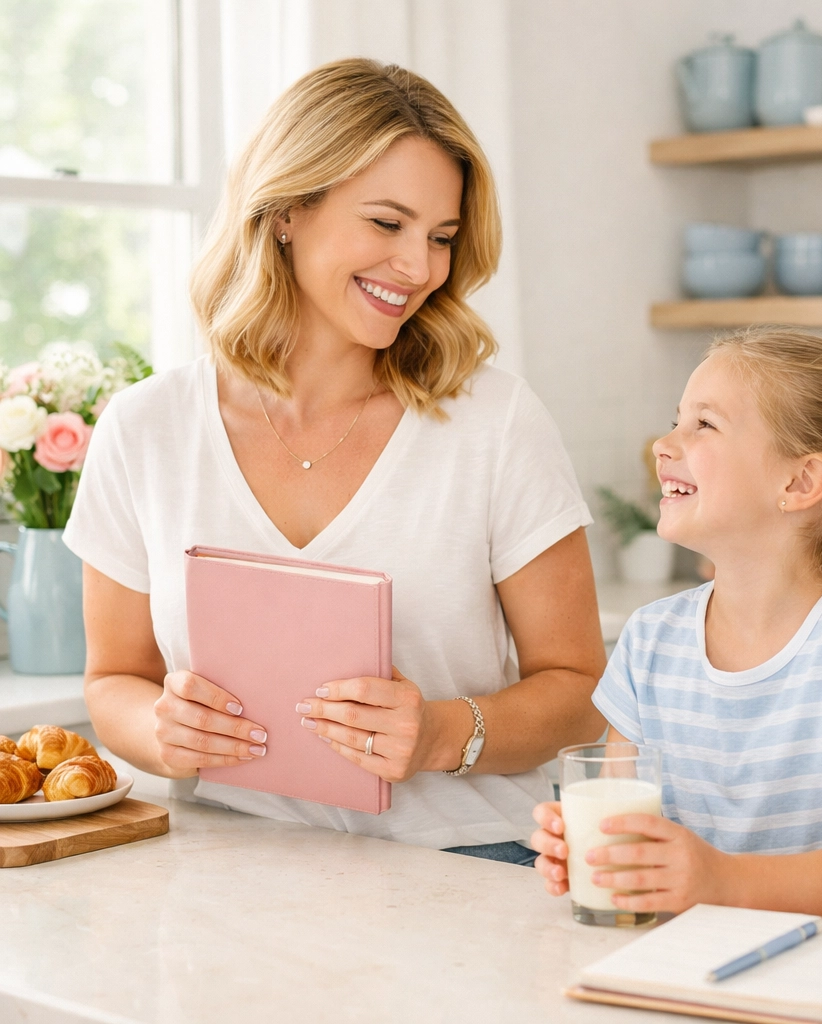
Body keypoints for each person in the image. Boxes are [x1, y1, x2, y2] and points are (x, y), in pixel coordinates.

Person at [64, 59, 606, 862]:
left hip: (467, 863)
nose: (419, 268)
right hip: (236, 860)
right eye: (388, 224)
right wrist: (161, 731)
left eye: (441, 237)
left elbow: (580, 689)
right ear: (288, 210)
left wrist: (439, 734)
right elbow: (114, 680)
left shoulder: (495, 422)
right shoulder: (146, 430)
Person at [531, 327, 822, 943]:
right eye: (676, 421)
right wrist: (598, 853)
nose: (664, 445)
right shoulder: (650, 642)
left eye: (704, 426)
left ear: (799, 483)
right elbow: (627, 818)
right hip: (726, 965)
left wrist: (723, 881)